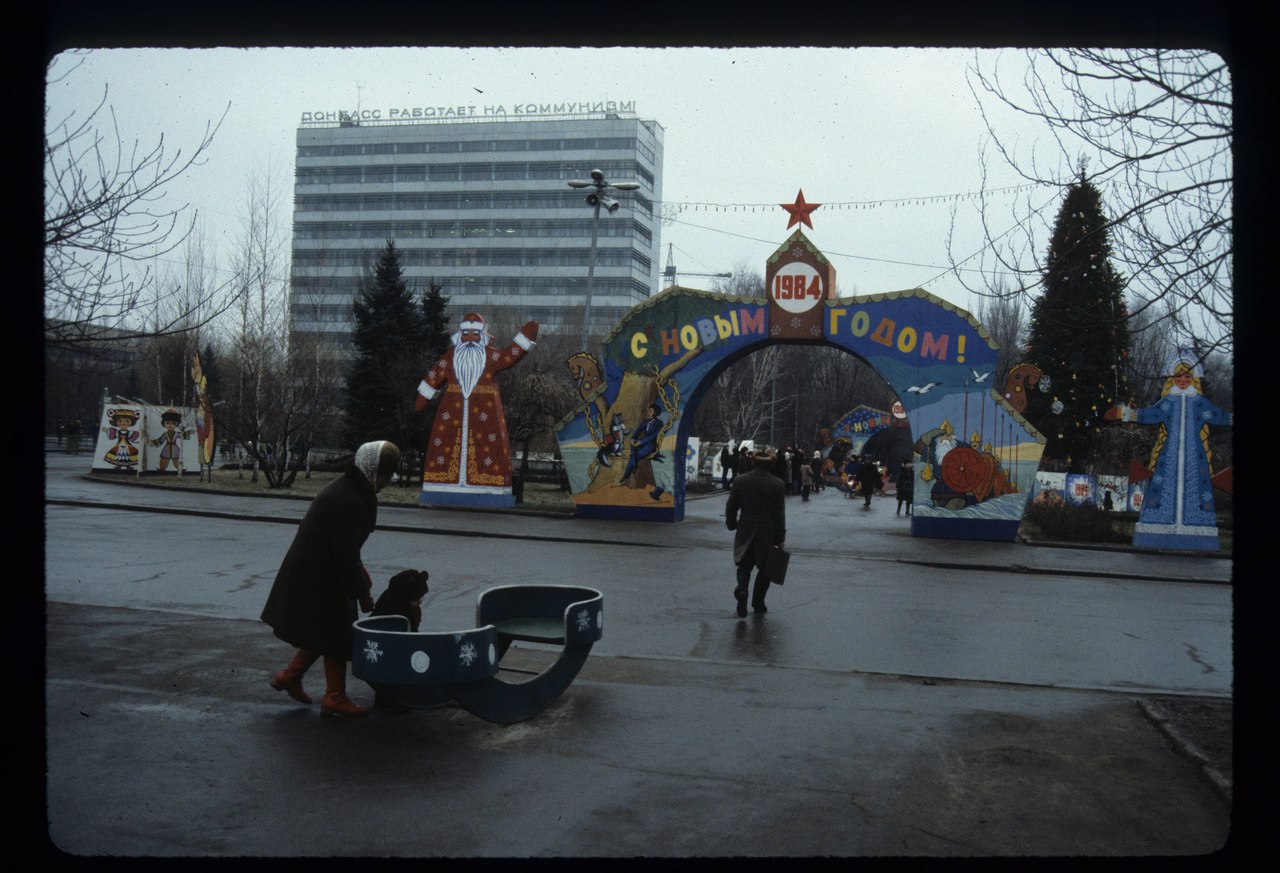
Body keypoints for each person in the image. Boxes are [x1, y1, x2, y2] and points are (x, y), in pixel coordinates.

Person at [261, 440, 401, 718]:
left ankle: (289, 676)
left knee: (323, 629)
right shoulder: (350, 499)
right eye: (385, 476)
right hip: (319, 572)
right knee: (337, 631)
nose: (385, 483)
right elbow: (344, 554)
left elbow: (346, 548)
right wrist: (361, 591)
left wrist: (359, 572)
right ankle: (334, 697)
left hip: (317, 569)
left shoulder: (351, 487)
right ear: (373, 471)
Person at [1103, 349, 1232, 550]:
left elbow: (1220, 416)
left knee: (1197, 492)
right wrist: (1124, 413)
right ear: (1172, 378)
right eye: (1178, 376)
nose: (1182, 380)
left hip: (1194, 457)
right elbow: (1148, 415)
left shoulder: (1199, 404)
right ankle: (1157, 525)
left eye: (1187, 376)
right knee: (1163, 488)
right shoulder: (1168, 403)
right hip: (1168, 457)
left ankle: (1197, 527)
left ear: (1194, 378)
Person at [415, 312, 538, 505]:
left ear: (483, 336)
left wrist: (525, 337)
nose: (470, 338)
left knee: (488, 448)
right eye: (466, 334)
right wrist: (424, 394)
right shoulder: (450, 356)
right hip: (451, 410)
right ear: (459, 335)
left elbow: (508, 356)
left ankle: (489, 489)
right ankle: (441, 486)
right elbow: (436, 373)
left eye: (475, 334)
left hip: (485, 411)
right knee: (445, 444)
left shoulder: (491, 357)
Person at [725, 447, 787, 616]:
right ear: (772, 464)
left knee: (744, 565)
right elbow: (779, 513)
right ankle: (758, 603)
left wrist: (732, 524)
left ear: (754, 462)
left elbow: (731, 507)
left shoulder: (741, 481)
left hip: (746, 527)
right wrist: (780, 537)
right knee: (765, 570)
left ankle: (742, 589)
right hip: (767, 532)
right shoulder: (778, 484)